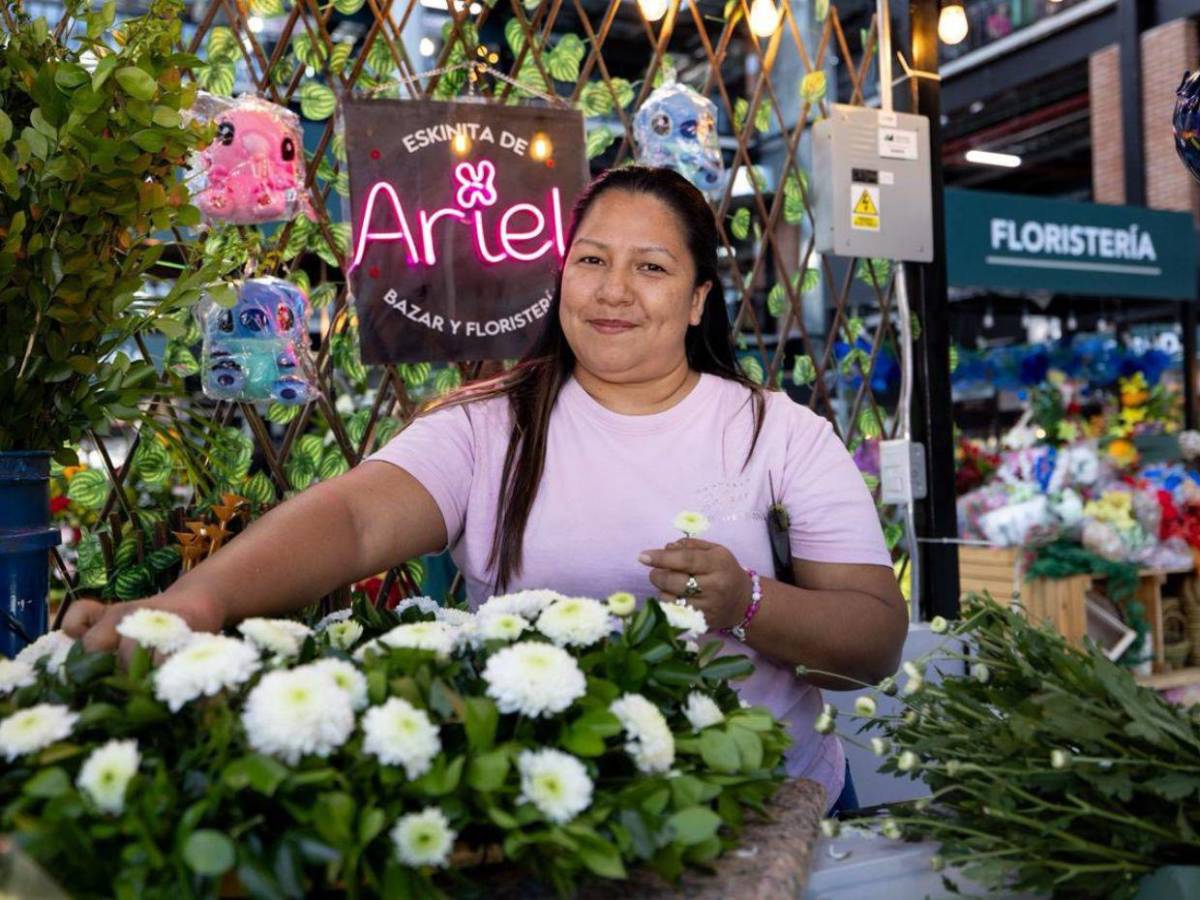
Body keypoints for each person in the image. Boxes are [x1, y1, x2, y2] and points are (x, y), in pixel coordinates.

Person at [64, 165, 906, 812]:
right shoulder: (489, 426)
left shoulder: (779, 431)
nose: (613, 291)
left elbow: (872, 638)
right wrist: (199, 602)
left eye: (650, 267)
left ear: (696, 302)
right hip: (548, 814)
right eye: (591, 261)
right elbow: (355, 519)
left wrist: (748, 601)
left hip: (775, 803)